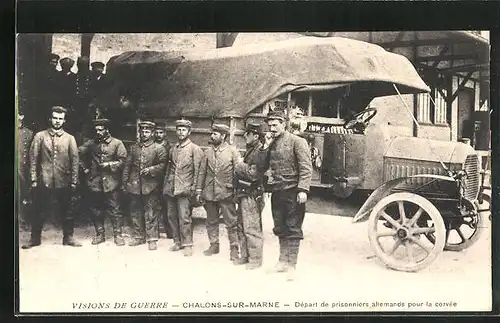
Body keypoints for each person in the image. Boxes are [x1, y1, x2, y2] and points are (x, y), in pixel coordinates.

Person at [258, 110, 312, 281]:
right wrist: (265, 146)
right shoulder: (270, 143)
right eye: (270, 125)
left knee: (293, 228)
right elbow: (261, 166)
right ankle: (282, 262)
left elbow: (306, 167)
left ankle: (292, 266)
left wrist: (303, 189)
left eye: (275, 125)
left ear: (284, 124)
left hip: (294, 192)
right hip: (277, 191)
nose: (272, 128)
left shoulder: (298, 142)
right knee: (279, 226)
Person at [22, 106, 82, 249]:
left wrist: (74, 181)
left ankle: (68, 237)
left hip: (64, 180)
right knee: (38, 209)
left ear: (64, 121)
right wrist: (34, 179)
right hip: (44, 180)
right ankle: (35, 238)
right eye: (55, 118)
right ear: (50, 118)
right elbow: (33, 159)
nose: (57, 121)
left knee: (68, 210)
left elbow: (75, 161)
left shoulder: (70, 139)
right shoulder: (40, 136)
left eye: (60, 119)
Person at [196, 124, 242, 263]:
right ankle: (214, 245)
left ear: (223, 136)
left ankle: (234, 249)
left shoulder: (232, 152)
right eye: (212, 133)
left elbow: (238, 172)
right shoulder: (207, 152)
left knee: (231, 222)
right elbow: (202, 172)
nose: (212, 136)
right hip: (209, 192)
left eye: (216, 134)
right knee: (211, 221)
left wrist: (236, 191)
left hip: (226, 192)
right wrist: (199, 190)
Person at [78, 119, 128, 246]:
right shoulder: (91, 143)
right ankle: (100, 234)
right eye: (96, 130)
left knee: (115, 209)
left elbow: (123, 161)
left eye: (101, 130)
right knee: (96, 209)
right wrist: (84, 168)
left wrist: (109, 165)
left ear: (107, 130)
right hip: (95, 182)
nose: (98, 132)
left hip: (112, 182)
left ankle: (118, 235)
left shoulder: (117, 143)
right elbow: (76, 153)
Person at [122, 121, 167, 251]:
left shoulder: (159, 148)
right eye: (142, 131)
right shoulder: (134, 148)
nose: (144, 134)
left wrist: (152, 170)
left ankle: (152, 239)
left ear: (152, 133)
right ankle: (138, 236)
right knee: (135, 211)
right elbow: (127, 166)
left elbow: (163, 165)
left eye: (147, 131)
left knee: (151, 212)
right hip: (135, 185)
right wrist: (125, 182)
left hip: (151, 186)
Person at [163, 119, 203, 256]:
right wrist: (165, 187)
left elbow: (198, 170)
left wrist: (195, 188)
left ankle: (187, 244)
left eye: (184, 130)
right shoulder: (173, 149)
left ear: (189, 132)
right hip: (171, 187)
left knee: (184, 217)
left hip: (185, 188)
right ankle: (177, 242)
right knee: (171, 216)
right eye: (179, 129)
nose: (181, 132)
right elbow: (169, 168)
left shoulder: (194, 149)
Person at [234, 122, 265, 269]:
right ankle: (245, 256)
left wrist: (239, 164)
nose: (245, 136)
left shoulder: (259, 151)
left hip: (252, 194)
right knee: (241, 226)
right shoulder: (251, 149)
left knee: (251, 228)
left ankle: (255, 260)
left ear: (256, 136)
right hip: (244, 193)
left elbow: (253, 174)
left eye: (248, 134)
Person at [153, 122, 173, 239]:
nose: (158, 135)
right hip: (152, 180)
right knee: (153, 207)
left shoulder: (169, 148)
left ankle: (169, 232)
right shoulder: (151, 146)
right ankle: (154, 232)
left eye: (161, 133)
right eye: (156, 132)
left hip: (164, 180)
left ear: (165, 134)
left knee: (167, 207)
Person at [17, 111, 34, 226]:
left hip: (24, 169)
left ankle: (22, 219)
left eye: (20, 119)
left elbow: (32, 153)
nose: (18, 121)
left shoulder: (29, 133)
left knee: (23, 194)